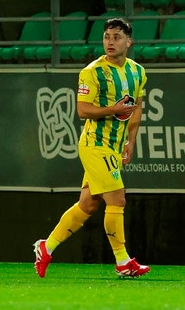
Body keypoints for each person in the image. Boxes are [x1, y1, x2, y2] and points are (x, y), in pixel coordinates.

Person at [33, 18, 149, 278]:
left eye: (117, 37)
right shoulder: (92, 72)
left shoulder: (137, 72)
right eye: (107, 36)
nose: (110, 41)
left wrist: (132, 140)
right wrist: (113, 110)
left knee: (88, 204)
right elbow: (82, 110)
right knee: (117, 198)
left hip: (115, 146)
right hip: (95, 145)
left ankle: (46, 246)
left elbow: (138, 107)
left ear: (129, 42)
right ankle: (122, 262)